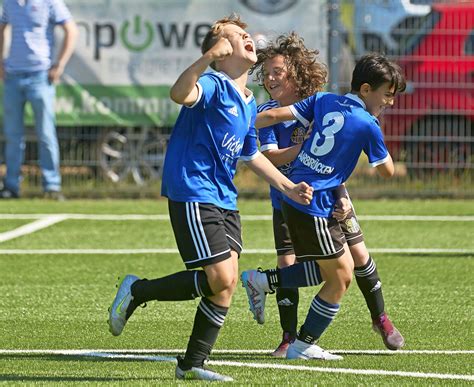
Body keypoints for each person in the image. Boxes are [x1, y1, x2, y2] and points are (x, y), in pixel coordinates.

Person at [107, 15, 313, 382]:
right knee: (220, 276)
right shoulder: (214, 83)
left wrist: (287, 187)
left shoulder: (249, 101)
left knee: (226, 282)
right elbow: (178, 94)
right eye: (236, 36)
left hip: (224, 199)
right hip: (192, 190)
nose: (247, 38)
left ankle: (192, 364)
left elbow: (251, 155)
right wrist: (205, 59)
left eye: (246, 34)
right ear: (219, 52)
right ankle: (138, 291)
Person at [242, 52, 406, 361]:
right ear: (367, 90)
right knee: (340, 276)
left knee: (332, 270)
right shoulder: (367, 123)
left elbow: (276, 116)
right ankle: (298, 341)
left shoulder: (325, 100)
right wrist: (376, 146)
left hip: (305, 197)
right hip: (312, 202)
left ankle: (274, 297)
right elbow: (387, 171)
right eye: (387, 95)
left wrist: (237, 122)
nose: (390, 102)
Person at [0, 0, 77, 200]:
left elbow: (71, 30)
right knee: (12, 135)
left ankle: (52, 186)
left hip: (40, 77)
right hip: (13, 77)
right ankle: (11, 186)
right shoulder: (8, 2)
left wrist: (59, 65)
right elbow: (2, 27)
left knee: (46, 133)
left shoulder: (49, 2)